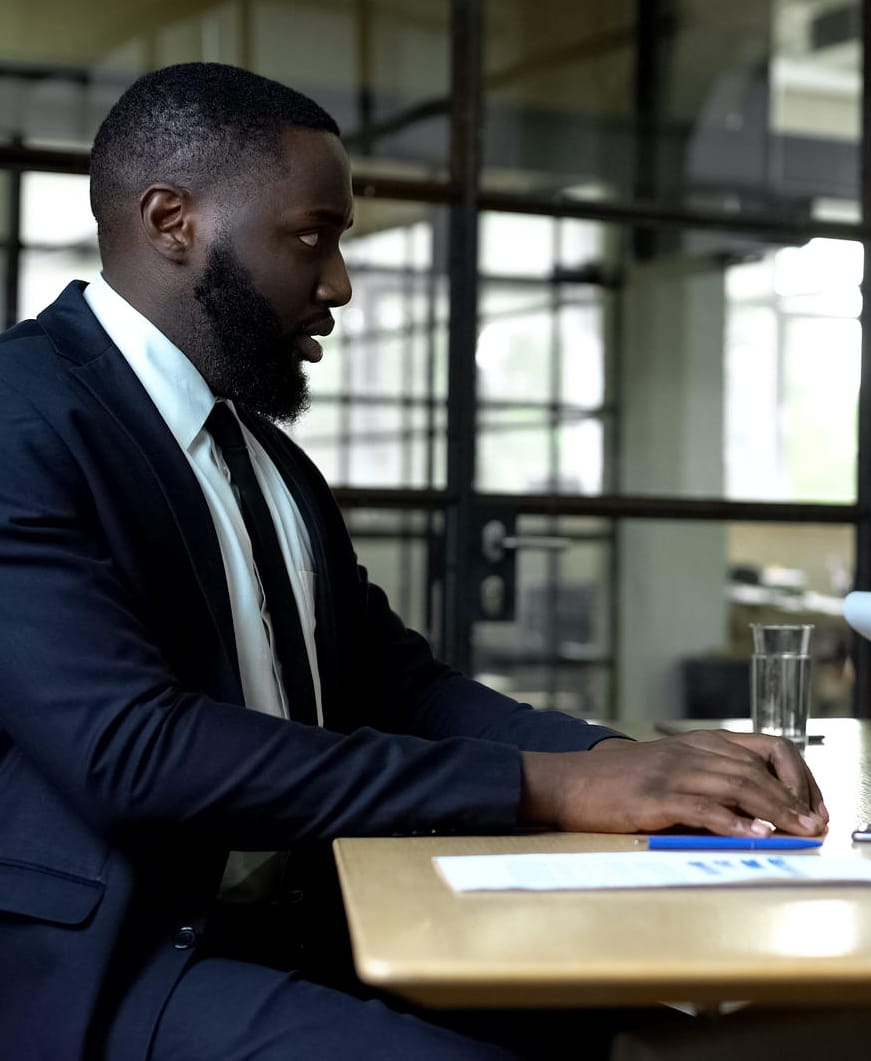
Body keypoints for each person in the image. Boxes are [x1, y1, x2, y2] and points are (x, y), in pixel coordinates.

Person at [0, 63, 826, 1060]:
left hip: (313, 911)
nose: (339, 283)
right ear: (172, 220)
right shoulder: (23, 416)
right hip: (120, 961)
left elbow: (400, 685)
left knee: (633, 1024)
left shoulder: (264, 456)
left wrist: (622, 760)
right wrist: (548, 786)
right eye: (312, 237)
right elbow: (134, 749)